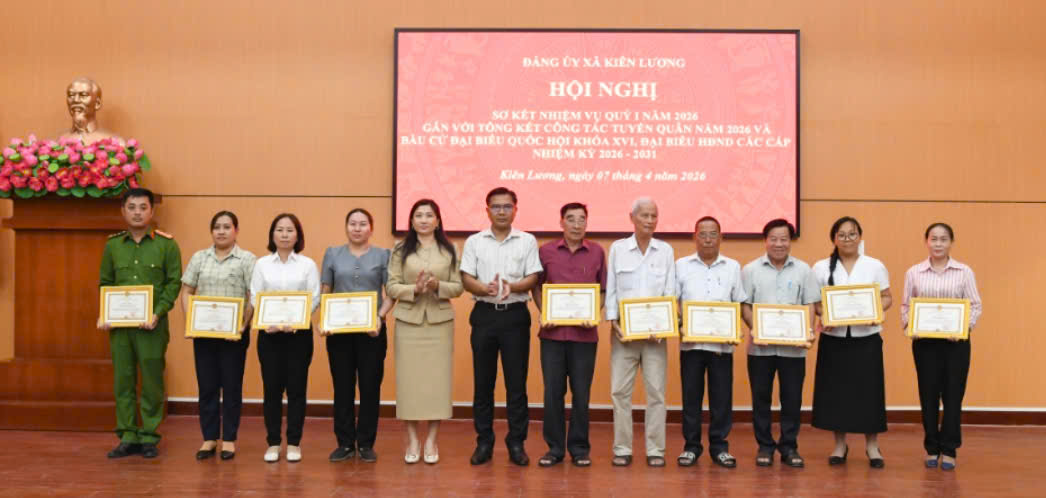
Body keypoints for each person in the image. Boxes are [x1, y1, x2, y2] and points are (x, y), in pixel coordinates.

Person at [460, 187, 542, 466]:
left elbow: (533, 277)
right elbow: (466, 278)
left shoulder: (527, 240)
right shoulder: (474, 241)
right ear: (487, 210)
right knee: (483, 383)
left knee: (516, 385)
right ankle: (484, 442)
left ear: (515, 210)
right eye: (496, 207)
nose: (502, 211)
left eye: (507, 206)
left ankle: (516, 442)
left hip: (515, 317)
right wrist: (484, 288)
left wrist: (512, 286)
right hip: (484, 315)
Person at [97, 188, 181, 459]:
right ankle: (127, 435)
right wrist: (105, 313)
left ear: (151, 211)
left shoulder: (167, 245)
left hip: (152, 326)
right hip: (120, 328)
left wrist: (157, 312)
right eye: (132, 207)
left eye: (143, 207)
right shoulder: (113, 246)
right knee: (123, 381)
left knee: (152, 381)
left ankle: (149, 436)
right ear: (123, 211)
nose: (137, 213)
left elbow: (173, 284)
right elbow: (105, 283)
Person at [386, 199, 464, 464]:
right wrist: (415, 289)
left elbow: (458, 287)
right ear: (411, 221)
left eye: (429, 215)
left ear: (438, 221)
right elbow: (391, 286)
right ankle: (412, 440)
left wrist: (437, 285)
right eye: (418, 215)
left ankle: (431, 440)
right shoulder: (400, 249)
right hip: (408, 323)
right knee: (409, 383)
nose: (423, 220)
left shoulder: (450, 249)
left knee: (436, 384)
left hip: (439, 323)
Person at [811, 216, 892, 468]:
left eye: (852, 234)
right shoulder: (820, 268)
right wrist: (825, 314)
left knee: (869, 392)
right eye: (842, 235)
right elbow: (815, 303)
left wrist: (876, 311)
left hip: (866, 339)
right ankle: (839, 445)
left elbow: (887, 297)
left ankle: (872, 446)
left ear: (860, 237)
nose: (847, 239)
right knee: (836, 393)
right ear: (834, 239)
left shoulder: (874, 265)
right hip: (834, 340)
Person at [901, 222, 982, 471]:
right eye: (934, 239)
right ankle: (931, 448)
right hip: (925, 344)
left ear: (951, 242)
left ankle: (949, 449)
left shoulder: (964, 272)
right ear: (926, 241)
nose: (938, 244)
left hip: (955, 345)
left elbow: (975, 305)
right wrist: (910, 326)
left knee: (953, 396)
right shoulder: (914, 272)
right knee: (928, 396)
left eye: (943, 239)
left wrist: (963, 328)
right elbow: (906, 306)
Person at [531, 202, 606, 468]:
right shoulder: (546, 251)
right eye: (571, 219)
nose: (576, 224)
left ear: (587, 223)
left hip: (585, 336)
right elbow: (536, 287)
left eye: (581, 219)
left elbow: (603, 290)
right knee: (553, 393)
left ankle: (579, 449)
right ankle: (554, 449)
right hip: (552, 335)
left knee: (581, 394)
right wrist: (544, 312)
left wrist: (594, 313)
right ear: (561, 222)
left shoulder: (597, 252)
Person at [740, 219, 820, 468]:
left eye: (784, 239)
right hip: (760, 349)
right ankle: (764, 446)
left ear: (790, 241)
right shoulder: (750, 270)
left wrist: (807, 332)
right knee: (760, 399)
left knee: (792, 399)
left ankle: (789, 447)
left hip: (794, 350)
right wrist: (756, 329)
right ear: (765, 241)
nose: (778, 244)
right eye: (773, 239)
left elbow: (809, 304)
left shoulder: (804, 270)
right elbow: (744, 306)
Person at [180, 210, 257, 461]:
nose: (221, 231)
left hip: (234, 335)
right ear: (211, 231)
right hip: (203, 334)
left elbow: (253, 296)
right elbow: (186, 291)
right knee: (207, 386)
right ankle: (209, 438)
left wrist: (243, 325)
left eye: (226, 227)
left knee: (232, 386)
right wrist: (190, 322)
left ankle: (230, 439)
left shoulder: (247, 259)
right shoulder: (199, 258)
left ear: (236, 230)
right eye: (217, 227)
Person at [605, 197, 675, 467]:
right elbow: (612, 288)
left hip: (656, 337)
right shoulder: (618, 249)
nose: (649, 220)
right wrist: (613, 321)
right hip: (624, 334)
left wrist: (665, 325)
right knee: (619, 392)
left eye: (653, 215)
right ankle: (622, 448)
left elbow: (670, 291)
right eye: (644, 215)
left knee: (656, 393)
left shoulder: (665, 250)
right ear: (631, 218)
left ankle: (655, 449)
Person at [319, 208, 393, 463]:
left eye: (363, 224)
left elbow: (391, 293)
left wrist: (379, 317)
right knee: (343, 387)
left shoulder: (383, 255)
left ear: (371, 228)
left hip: (372, 331)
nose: (357, 228)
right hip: (339, 332)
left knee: (370, 387)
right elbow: (326, 289)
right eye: (352, 223)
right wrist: (325, 320)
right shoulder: (332, 253)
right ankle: (345, 443)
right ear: (346, 227)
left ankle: (366, 443)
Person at [674, 216, 747, 468]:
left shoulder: (733, 267)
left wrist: (736, 329)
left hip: (721, 346)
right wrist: (680, 324)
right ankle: (691, 447)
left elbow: (738, 303)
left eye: (713, 234)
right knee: (691, 398)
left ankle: (719, 447)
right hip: (691, 345)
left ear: (721, 237)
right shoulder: (681, 265)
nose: (707, 239)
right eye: (702, 234)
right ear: (694, 237)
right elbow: (673, 301)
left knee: (721, 399)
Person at [250, 213, 321, 463]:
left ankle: (293, 443)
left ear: (297, 235)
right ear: (272, 234)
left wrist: (298, 320)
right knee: (271, 390)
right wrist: (266, 320)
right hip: (269, 335)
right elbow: (255, 295)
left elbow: (314, 296)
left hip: (298, 336)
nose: (284, 234)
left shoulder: (307, 265)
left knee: (297, 390)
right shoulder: (261, 264)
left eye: (290, 230)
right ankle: (273, 442)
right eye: (279, 230)